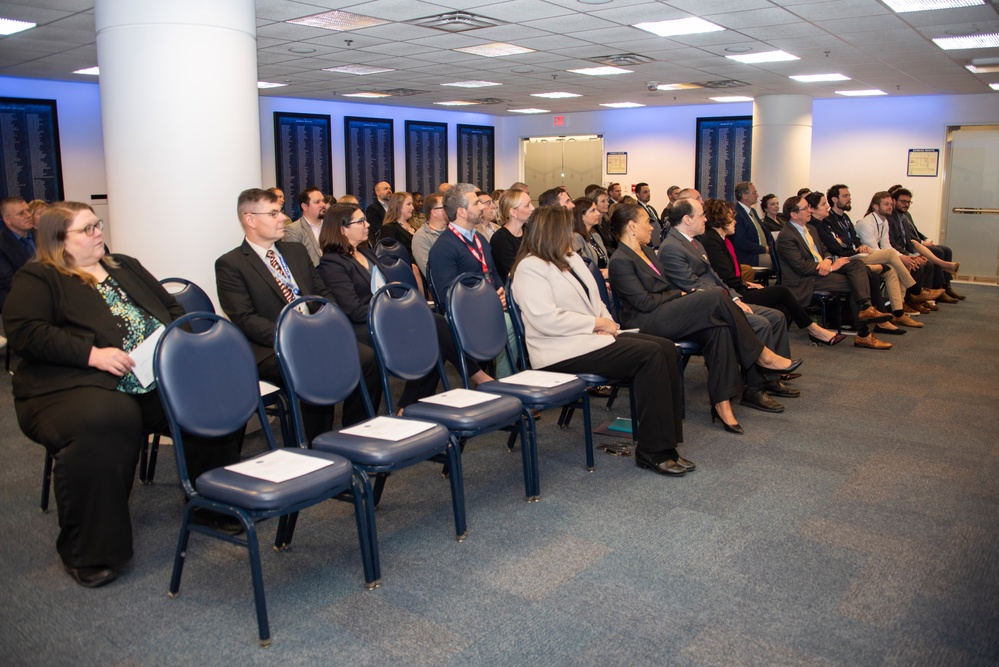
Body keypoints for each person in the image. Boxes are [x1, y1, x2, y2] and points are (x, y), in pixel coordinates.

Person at [5, 202, 241, 588]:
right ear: (59, 241)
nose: (99, 232)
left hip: (149, 373)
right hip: (72, 384)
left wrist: (176, 337)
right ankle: (89, 551)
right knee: (107, 421)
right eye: (87, 229)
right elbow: (27, 333)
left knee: (210, 399)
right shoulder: (39, 278)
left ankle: (209, 503)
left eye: (97, 225)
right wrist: (92, 354)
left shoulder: (123, 265)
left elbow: (168, 306)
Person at [510, 205, 694, 476]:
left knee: (665, 347)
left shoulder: (570, 258)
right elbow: (546, 319)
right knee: (650, 355)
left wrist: (608, 324)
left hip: (590, 340)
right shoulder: (529, 267)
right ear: (551, 231)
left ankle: (667, 446)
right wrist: (597, 324)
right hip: (560, 352)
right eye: (566, 230)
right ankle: (651, 450)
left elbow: (598, 302)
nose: (572, 235)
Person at [609, 204, 802, 434]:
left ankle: (722, 403)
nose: (652, 226)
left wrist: (673, 294)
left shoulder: (648, 251)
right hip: (646, 321)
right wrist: (677, 294)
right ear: (632, 226)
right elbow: (644, 303)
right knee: (713, 298)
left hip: (666, 312)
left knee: (718, 329)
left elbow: (663, 287)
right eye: (646, 222)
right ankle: (762, 354)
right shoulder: (620, 260)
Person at [215, 188, 383, 441]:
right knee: (316, 364)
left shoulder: (294, 252)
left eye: (280, 212)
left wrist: (326, 325)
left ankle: (355, 434)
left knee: (367, 357)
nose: (282, 217)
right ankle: (319, 445)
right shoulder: (232, 264)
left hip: (315, 334)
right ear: (250, 219)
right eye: (273, 213)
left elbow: (323, 293)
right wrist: (297, 336)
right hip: (272, 346)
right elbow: (245, 319)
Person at [316, 204, 492, 401]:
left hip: (389, 318)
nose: (367, 225)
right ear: (342, 229)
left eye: (365, 220)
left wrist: (401, 309)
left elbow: (389, 291)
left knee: (437, 327)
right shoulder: (332, 263)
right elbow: (354, 310)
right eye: (360, 221)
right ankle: (476, 377)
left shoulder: (367, 253)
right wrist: (395, 313)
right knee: (436, 328)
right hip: (365, 328)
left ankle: (409, 404)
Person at [660, 198, 798, 411]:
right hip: (705, 308)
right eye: (701, 215)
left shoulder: (695, 242)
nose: (706, 218)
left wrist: (734, 297)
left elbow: (716, 278)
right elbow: (694, 287)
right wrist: (727, 301)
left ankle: (771, 378)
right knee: (760, 323)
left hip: (722, 298)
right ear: (687, 219)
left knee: (776, 317)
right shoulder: (671, 247)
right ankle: (753, 389)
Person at [699, 199, 845, 345]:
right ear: (720, 219)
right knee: (782, 292)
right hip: (732, 294)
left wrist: (746, 283)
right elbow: (725, 277)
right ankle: (814, 330)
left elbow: (728, 274)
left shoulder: (723, 240)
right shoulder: (712, 241)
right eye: (731, 218)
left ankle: (772, 349)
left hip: (736, 288)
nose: (735, 221)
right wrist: (745, 285)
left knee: (782, 308)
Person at [776, 195, 894, 350]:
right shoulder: (786, 236)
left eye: (809, 207)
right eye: (805, 208)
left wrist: (828, 261)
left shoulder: (810, 228)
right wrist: (831, 267)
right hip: (805, 280)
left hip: (821, 270)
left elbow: (825, 251)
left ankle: (865, 308)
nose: (809, 210)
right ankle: (864, 334)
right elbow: (801, 267)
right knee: (857, 282)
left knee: (857, 265)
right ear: (794, 214)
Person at [807, 190, 924, 330]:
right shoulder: (819, 223)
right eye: (823, 204)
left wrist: (856, 246)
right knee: (889, 257)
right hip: (843, 260)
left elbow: (849, 239)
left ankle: (897, 312)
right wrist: (852, 248)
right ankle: (915, 288)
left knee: (891, 269)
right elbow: (833, 247)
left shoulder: (834, 220)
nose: (827, 206)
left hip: (853, 255)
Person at [1, 197, 37, 310]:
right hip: (18, 302)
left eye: (29, 210)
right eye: (21, 213)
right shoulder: (2, 244)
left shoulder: (41, 235)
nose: (28, 215)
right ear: (7, 220)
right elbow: (9, 280)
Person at [491, 188, 533, 279]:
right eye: (527, 205)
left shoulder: (529, 231)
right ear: (513, 212)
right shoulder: (500, 239)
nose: (532, 208)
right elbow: (515, 271)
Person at [283, 186, 326, 265]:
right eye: (317, 202)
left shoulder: (332, 226)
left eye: (323, 201)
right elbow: (295, 262)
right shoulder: (293, 230)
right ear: (305, 207)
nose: (323, 204)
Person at [570, 197, 609, 279]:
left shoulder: (596, 235)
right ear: (582, 216)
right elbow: (585, 266)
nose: (598, 213)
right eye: (593, 210)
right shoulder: (576, 237)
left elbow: (606, 261)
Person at [411, 192, 447, 277]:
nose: (449, 210)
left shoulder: (454, 231)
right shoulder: (421, 237)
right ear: (434, 213)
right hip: (445, 284)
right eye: (445, 207)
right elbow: (430, 273)